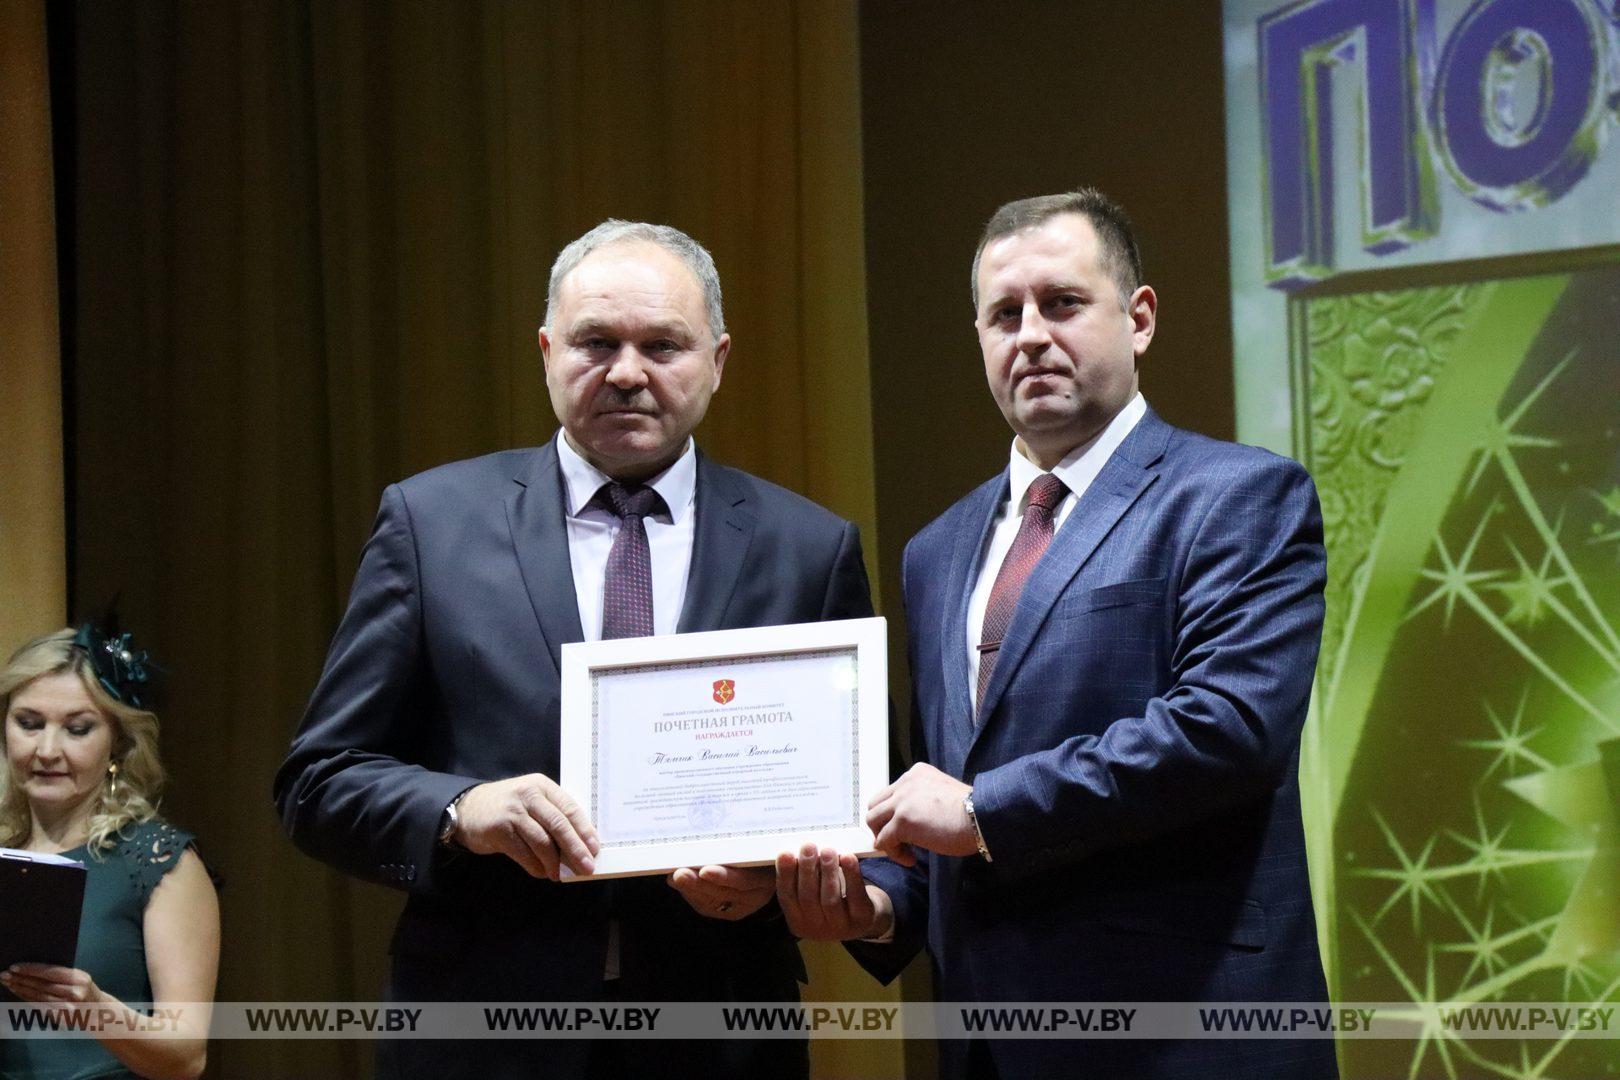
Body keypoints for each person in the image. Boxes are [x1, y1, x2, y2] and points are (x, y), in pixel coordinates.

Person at [274, 220, 874, 1079]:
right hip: (483, 1025)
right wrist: (461, 811)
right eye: (596, 342)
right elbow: (319, 780)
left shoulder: (809, 548)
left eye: (662, 345)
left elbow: (862, 804)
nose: (627, 372)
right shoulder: (431, 525)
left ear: (717, 361)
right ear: (547, 352)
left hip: (718, 1029)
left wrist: (770, 884)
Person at [775, 190, 1335, 1079]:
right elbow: (946, 788)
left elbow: (1230, 730)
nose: (1031, 335)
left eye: (1063, 303)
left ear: (1139, 318)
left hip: (1182, 1038)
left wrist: (982, 812)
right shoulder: (936, 551)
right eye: (1005, 314)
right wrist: (878, 907)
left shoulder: (1238, 496)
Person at [0, 626, 219, 1080]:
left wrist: (95, 1009)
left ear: (117, 742)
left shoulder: (156, 861)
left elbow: (187, 1058)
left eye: (77, 729)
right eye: (29, 724)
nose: (47, 750)